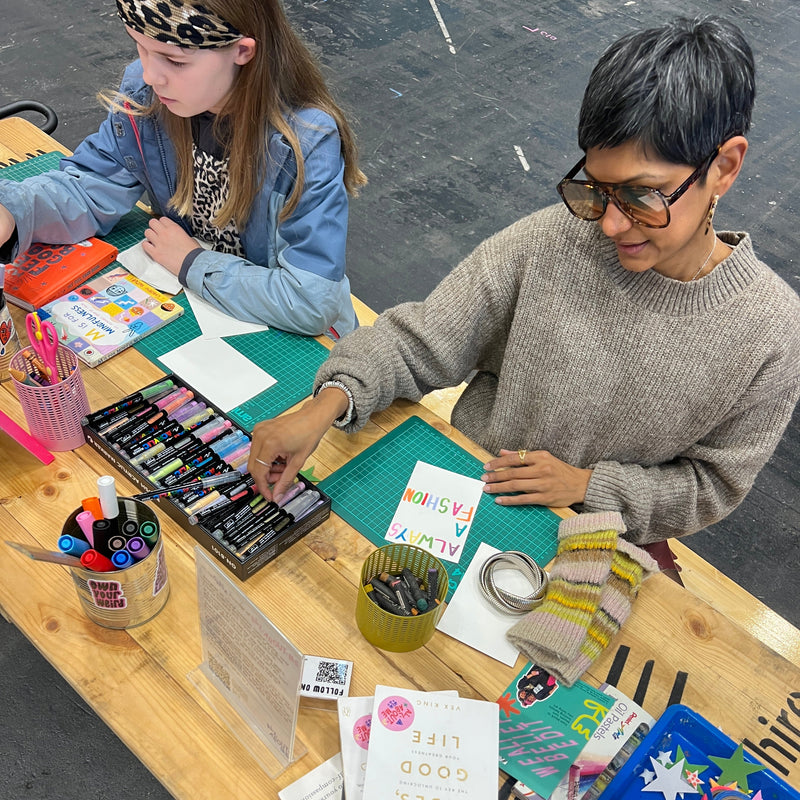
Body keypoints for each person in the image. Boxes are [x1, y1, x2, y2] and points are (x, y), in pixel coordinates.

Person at [248, 16, 800, 556]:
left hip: (590, 544)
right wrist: (323, 405)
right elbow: (424, 337)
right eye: (597, 189)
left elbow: (712, 484)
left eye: (640, 195)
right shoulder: (556, 240)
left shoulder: (772, 334)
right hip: (467, 489)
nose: (609, 224)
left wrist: (589, 487)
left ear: (724, 167)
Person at [0, 0, 366, 338]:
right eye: (139, 48)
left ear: (242, 51)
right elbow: (92, 185)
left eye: (174, 60)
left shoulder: (304, 142)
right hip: (199, 305)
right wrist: (14, 211)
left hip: (303, 344)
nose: (149, 75)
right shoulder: (150, 99)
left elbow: (311, 301)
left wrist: (191, 262)